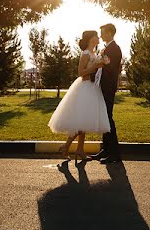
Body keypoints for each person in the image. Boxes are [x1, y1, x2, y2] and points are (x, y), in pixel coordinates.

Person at [47, 30, 110, 161]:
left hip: (93, 88)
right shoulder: (86, 54)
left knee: (84, 121)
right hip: (84, 88)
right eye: (96, 36)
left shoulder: (94, 53)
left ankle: (79, 149)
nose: (99, 38)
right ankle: (66, 146)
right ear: (91, 39)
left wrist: (101, 64)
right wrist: (96, 66)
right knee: (81, 121)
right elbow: (81, 72)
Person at [88, 23, 123, 164]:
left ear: (109, 33)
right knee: (104, 117)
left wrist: (101, 62)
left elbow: (111, 69)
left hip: (108, 88)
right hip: (102, 87)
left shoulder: (114, 49)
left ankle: (115, 154)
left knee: (108, 118)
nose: (101, 35)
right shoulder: (106, 48)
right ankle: (106, 149)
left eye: (102, 32)